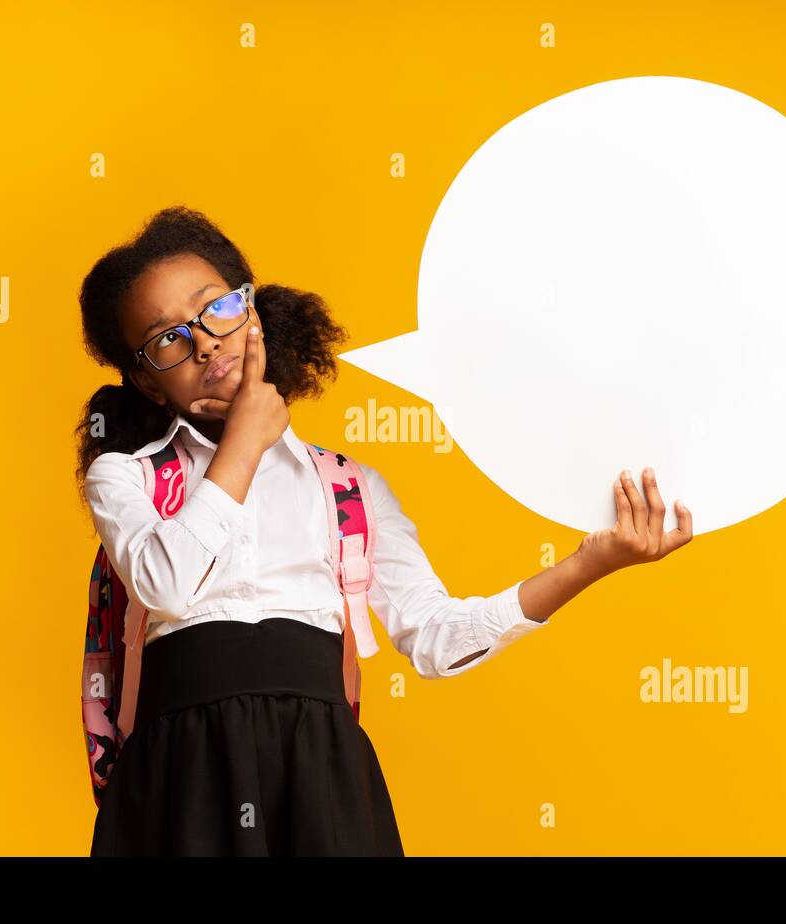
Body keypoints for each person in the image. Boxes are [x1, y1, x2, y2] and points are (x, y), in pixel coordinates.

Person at [74, 206, 694, 856]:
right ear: (145, 377)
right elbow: (164, 583)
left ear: (251, 309)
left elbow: (436, 641)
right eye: (167, 337)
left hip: (319, 778)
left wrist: (590, 564)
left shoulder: (350, 488)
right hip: (180, 781)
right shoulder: (124, 476)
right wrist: (247, 440)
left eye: (216, 309)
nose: (203, 342)